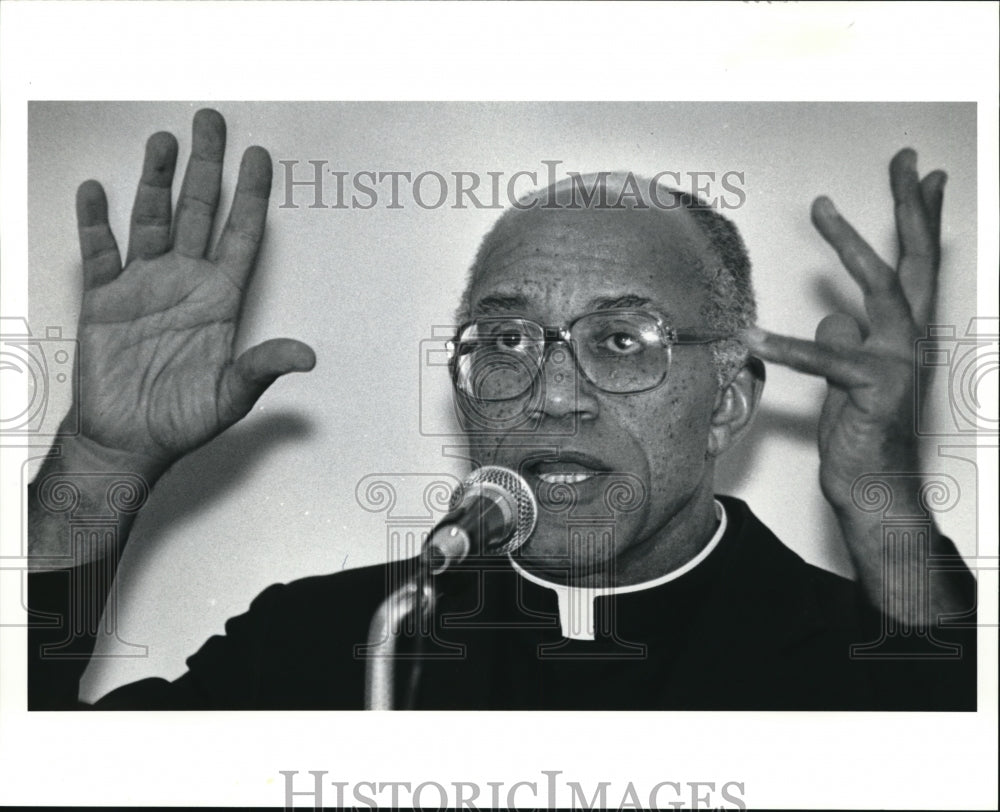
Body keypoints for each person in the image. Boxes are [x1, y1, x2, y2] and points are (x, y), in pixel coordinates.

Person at [28, 109, 976, 710]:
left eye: (620, 341)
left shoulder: (848, 659)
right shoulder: (334, 643)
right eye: (509, 344)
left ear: (728, 400)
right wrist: (100, 463)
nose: (552, 398)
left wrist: (881, 500)